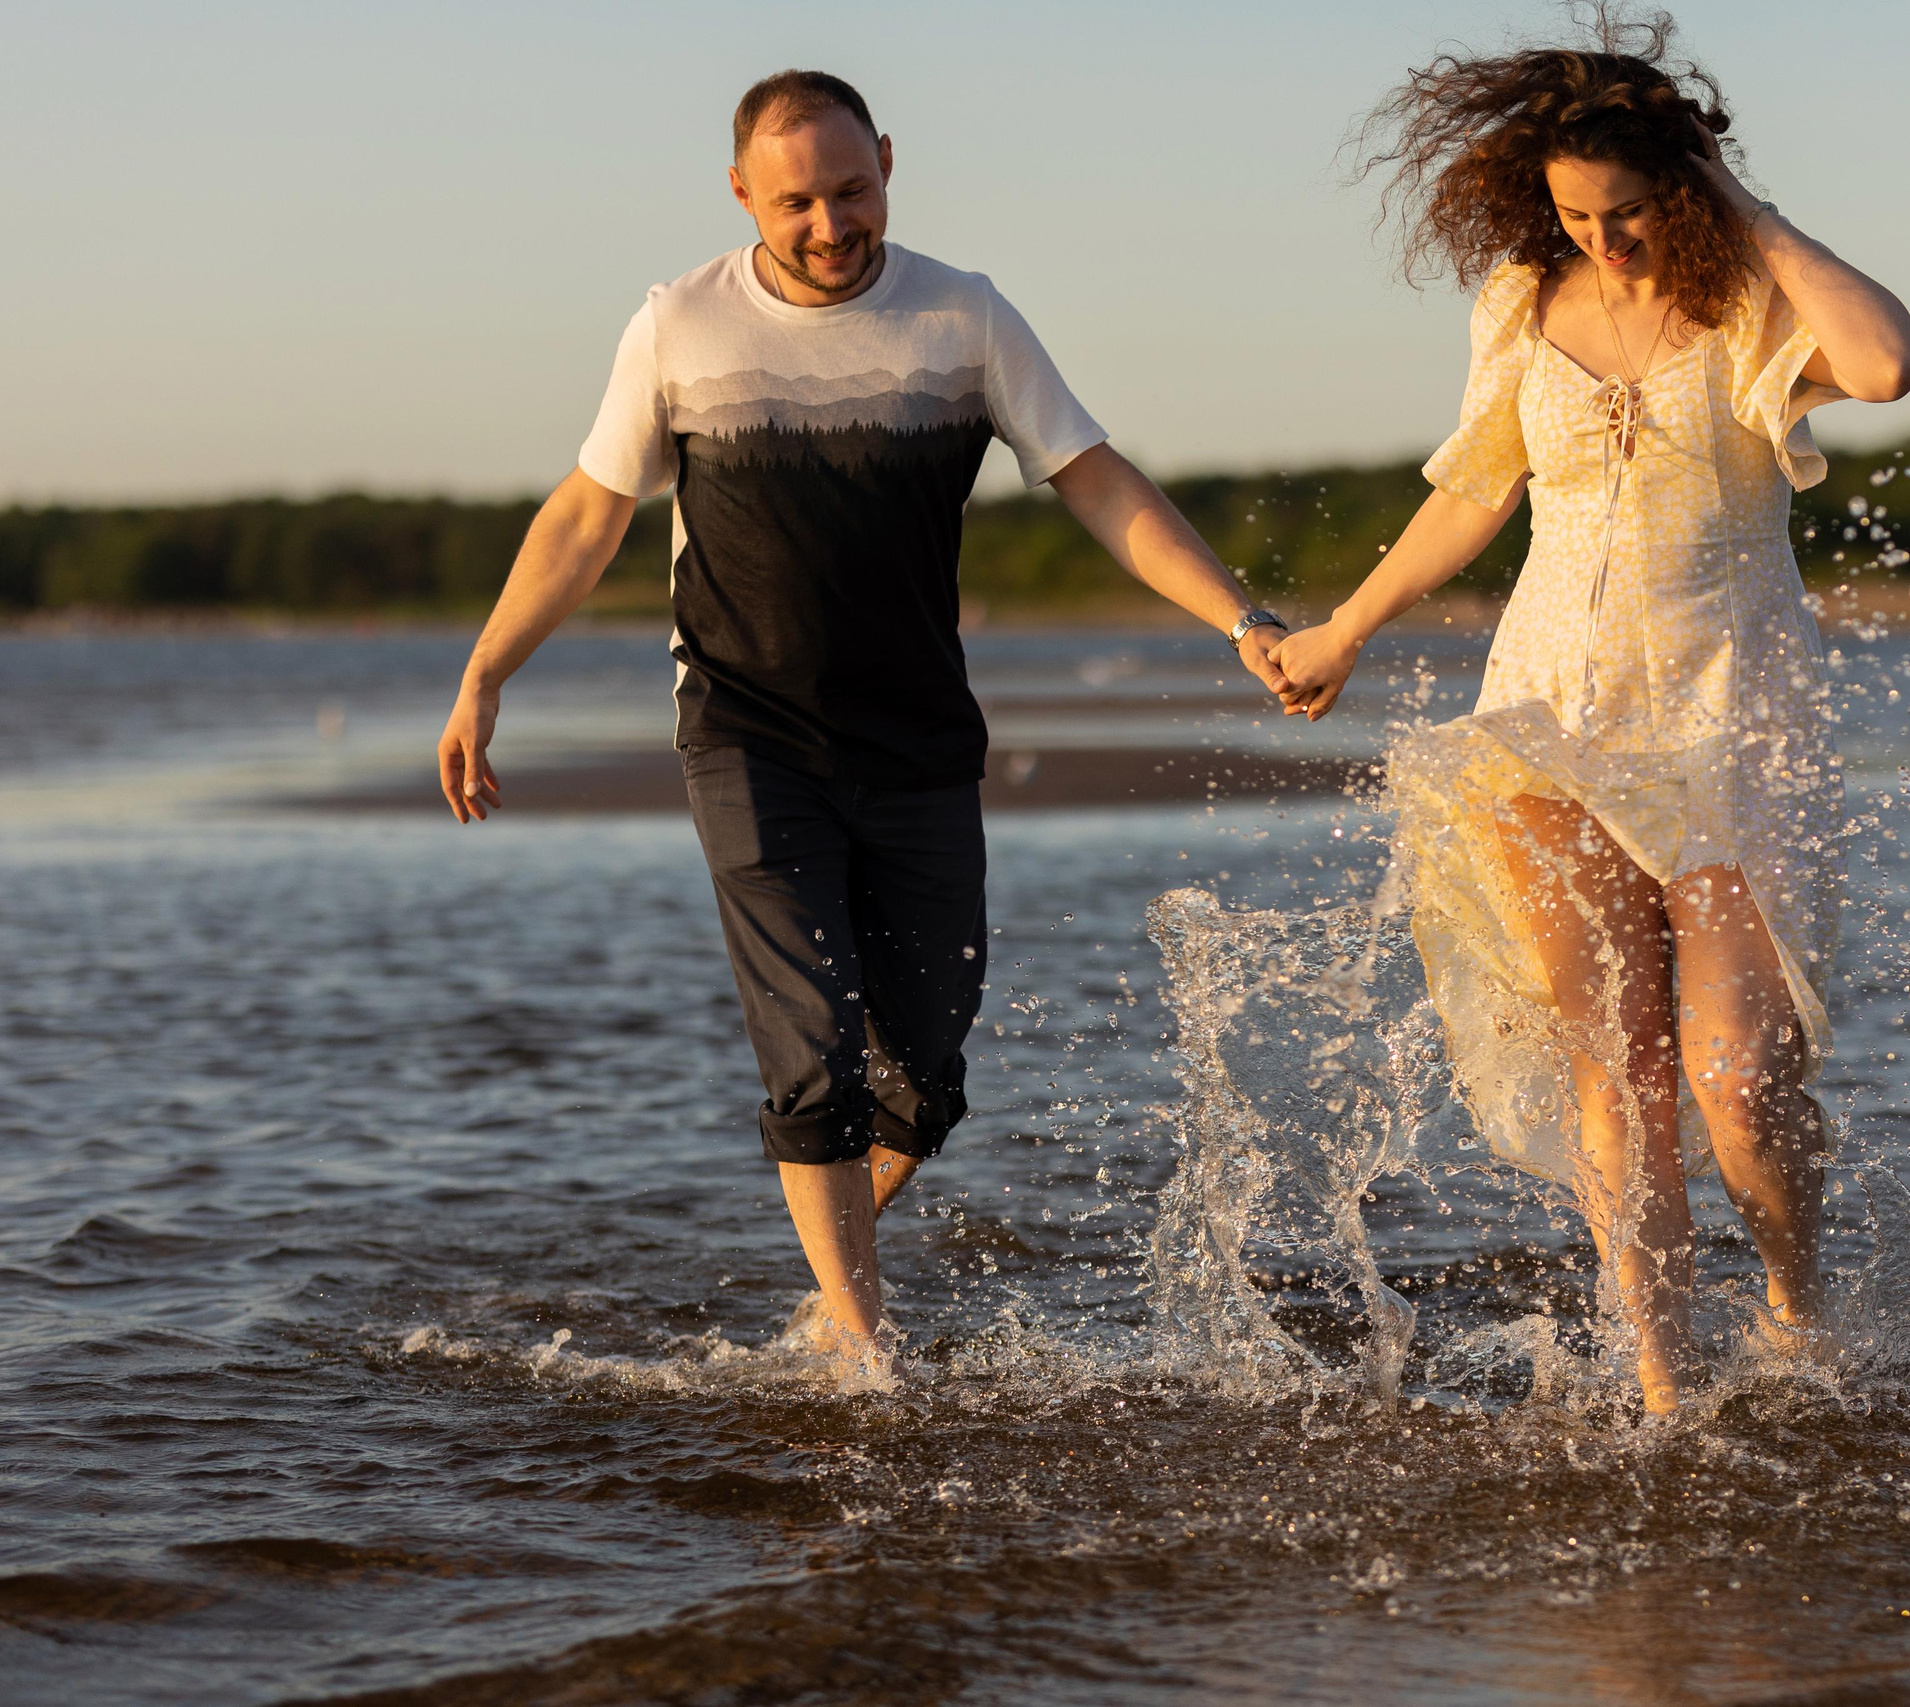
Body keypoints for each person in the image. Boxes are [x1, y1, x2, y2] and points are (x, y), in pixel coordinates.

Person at [434, 69, 1291, 1376]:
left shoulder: (965, 317)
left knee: (926, 1072)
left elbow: (1096, 482)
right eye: (797, 202)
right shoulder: (680, 325)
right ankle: (859, 1335)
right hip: (746, 732)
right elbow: (585, 517)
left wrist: (1243, 621)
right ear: (741, 196)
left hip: (920, 744)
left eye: (853, 190)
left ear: (887, 162)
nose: (831, 223)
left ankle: (827, 1287)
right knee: (816, 1051)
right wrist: (487, 673)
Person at [1271, 22, 1910, 1410]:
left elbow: (1886, 367)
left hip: (1727, 716)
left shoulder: (1751, 300)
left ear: (1684, 185)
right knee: (1615, 1071)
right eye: (1578, 216)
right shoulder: (1518, 303)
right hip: (1545, 721)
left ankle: (1799, 1306)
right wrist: (1344, 629)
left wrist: (1744, 214)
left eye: (1629, 212)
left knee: (1740, 1078)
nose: (1606, 242)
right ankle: (1667, 1386)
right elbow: (1476, 490)